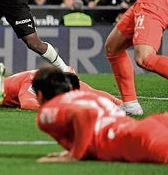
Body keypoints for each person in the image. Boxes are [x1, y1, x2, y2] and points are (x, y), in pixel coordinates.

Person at [33, 66, 168, 164]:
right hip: (150, 125)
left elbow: (86, 113)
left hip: (141, 142)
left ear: (39, 94)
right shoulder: (84, 95)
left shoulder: (48, 110)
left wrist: (75, 155)